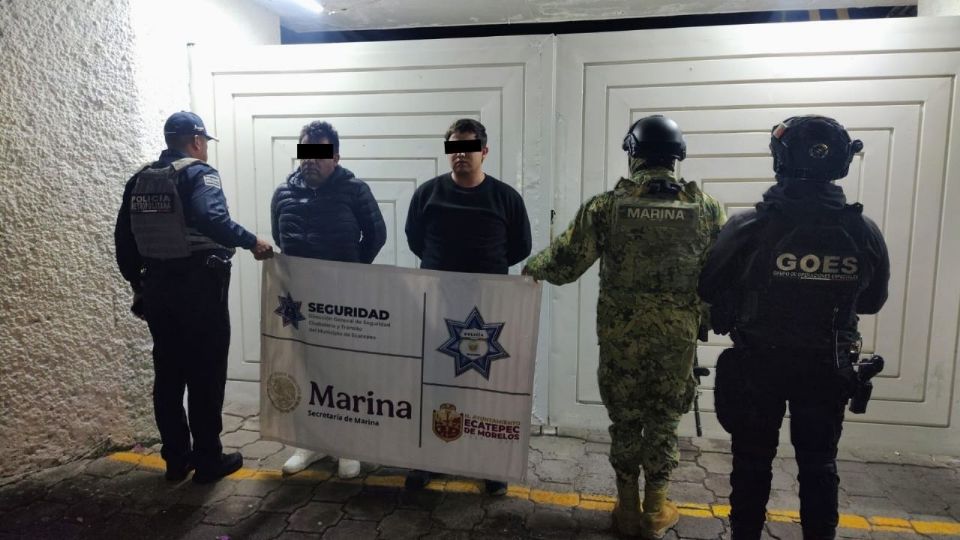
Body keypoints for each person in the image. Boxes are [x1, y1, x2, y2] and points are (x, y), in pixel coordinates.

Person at [523, 115, 726, 538]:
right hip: (676, 339)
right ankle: (655, 511)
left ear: (632, 154)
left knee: (627, 420)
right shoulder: (706, 208)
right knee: (664, 422)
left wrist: (531, 269)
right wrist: (706, 317)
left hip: (622, 339)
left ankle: (627, 510)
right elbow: (719, 275)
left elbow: (565, 263)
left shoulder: (606, 206)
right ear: (678, 157)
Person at [698, 115, 890, 540]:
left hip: (758, 365)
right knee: (819, 464)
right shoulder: (863, 231)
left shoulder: (748, 226)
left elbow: (708, 286)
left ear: (779, 159)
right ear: (841, 163)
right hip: (827, 367)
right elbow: (872, 301)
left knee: (751, 462)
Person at [115, 111, 274, 484]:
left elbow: (124, 239)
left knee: (168, 375)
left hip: (157, 288)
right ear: (197, 141)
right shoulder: (199, 173)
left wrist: (139, 284)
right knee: (206, 372)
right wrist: (251, 241)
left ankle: (176, 459)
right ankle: (208, 460)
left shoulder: (140, 179)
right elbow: (209, 217)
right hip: (199, 287)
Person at [404, 118, 532, 495]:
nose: (460, 154)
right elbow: (415, 240)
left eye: (468, 147)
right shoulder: (427, 194)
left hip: (487, 307)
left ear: (484, 151)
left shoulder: (506, 198)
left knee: (483, 385)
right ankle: (426, 459)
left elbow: (520, 247)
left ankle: (489, 464)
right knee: (434, 381)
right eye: (454, 147)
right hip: (436, 303)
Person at [272, 120, 387, 478]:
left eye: (320, 153)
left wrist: (350, 270)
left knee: (344, 370)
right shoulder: (283, 193)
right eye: (305, 152)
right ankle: (311, 443)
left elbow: (377, 235)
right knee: (306, 367)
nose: (311, 159)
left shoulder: (355, 190)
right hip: (300, 300)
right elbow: (279, 235)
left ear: (336, 157)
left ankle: (348, 445)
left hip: (343, 297)